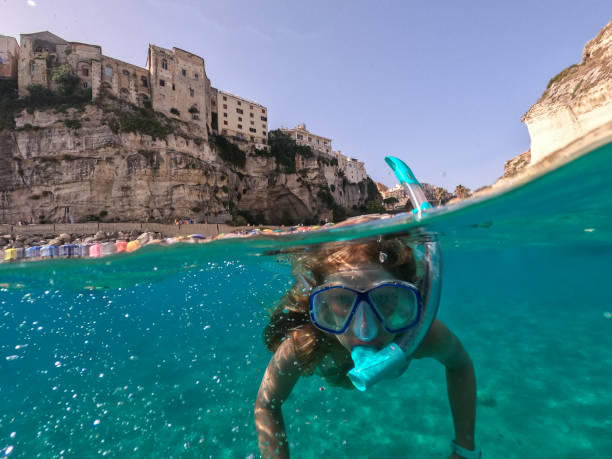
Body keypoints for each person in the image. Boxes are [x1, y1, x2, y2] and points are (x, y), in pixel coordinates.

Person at [254, 224, 478, 458]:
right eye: (342, 298)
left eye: (383, 299)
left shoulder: (418, 334)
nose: (365, 331)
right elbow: (266, 404)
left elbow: (460, 364)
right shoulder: (308, 341)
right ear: (322, 304)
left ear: (406, 297)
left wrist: (465, 448)